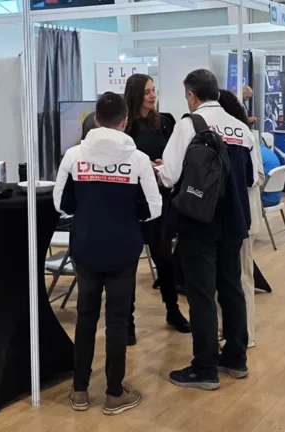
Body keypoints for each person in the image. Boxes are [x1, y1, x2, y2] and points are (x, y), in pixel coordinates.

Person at [55, 92, 162, 415]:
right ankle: (114, 393)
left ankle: (80, 391)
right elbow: (153, 208)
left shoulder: (74, 156)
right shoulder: (138, 159)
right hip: (123, 248)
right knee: (117, 321)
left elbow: (62, 204)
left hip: (86, 246)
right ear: (125, 121)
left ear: (97, 120)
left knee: (85, 317)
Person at [159, 69, 252, 390]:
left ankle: (205, 367)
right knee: (232, 288)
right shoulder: (241, 128)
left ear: (191, 95)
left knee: (201, 294)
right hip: (234, 219)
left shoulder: (189, 125)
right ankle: (236, 358)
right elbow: (249, 176)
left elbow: (170, 176)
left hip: (199, 221)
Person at [123, 74, 190, 344]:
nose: (153, 95)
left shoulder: (165, 122)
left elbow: (176, 156)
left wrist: (164, 163)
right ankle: (127, 320)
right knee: (128, 264)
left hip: (159, 199)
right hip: (130, 201)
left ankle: (172, 310)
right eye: (147, 91)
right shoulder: (125, 127)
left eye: (154, 90)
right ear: (135, 94)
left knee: (164, 259)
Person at [217, 89, 263, 349]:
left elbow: (255, 177)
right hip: (234, 216)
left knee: (242, 276)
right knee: (229, 278)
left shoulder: (245, 136)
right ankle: (227, 329)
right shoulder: (243, 134)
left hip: (242, 215)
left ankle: (245, 333)